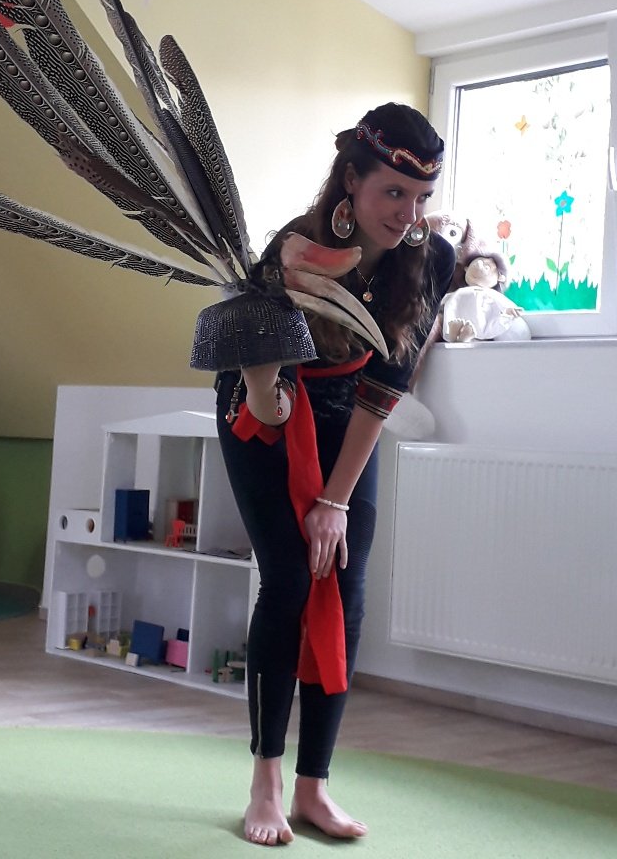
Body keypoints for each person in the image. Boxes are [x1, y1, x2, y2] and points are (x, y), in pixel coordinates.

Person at [215, 103, 455, 846]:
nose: (408, 215)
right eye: (393, 193)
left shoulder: (432, 260)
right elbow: (266, 389)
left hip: (352, 410)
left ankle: (314, 787)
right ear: (352, 180)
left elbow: (387, 385)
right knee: (289, 578)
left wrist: (335, 501)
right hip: (265, 401)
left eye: (422, 198)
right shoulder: (290, 253)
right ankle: (265, 783)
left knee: (344, 580)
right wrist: (275, 413)